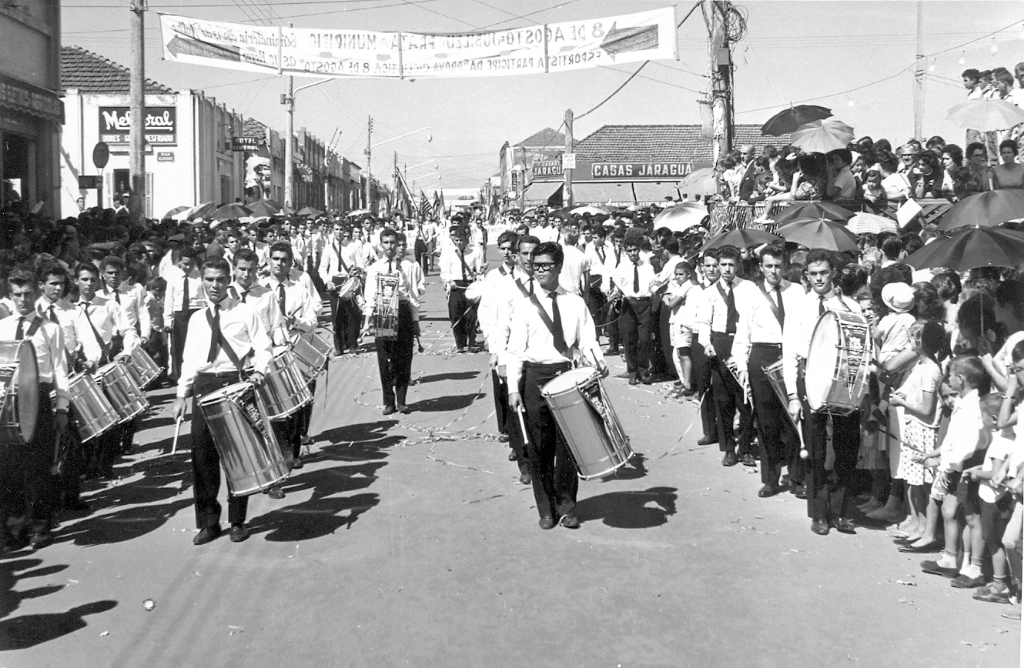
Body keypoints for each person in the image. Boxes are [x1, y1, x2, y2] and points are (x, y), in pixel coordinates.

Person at [172, 257, 272, 545]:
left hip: (235, 382)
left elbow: (263, 347)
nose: (214, 285)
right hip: (205, 386)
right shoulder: (196, 319)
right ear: (202, 281)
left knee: (237, 456)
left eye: (219, 279)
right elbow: (189, 360)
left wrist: (260, 373)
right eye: (209, 280)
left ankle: (238, 520)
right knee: (202, 456)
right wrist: (181, 394)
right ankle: (208, 522)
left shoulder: (245, 312)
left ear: (229, 280)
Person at [507, 242, 605, 530]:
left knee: (568, 447)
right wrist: (513, 388)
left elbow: (587, 339)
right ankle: (546, 508)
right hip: (535, 376)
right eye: (536, 266)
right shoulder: (525, 306)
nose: (540, 271)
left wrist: (597, 361)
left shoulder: (575, 302)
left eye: (546, 266)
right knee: (539, 447)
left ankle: (568, 507)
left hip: (567, 376)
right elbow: (514, 350)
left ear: (559, 267)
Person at [784, 249, 863, 535]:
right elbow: (789, 352)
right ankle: (819, 513)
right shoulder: (799, 307)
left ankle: (841, 512)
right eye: (813, 274)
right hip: (811, 380)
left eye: (824, 273)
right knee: (815, 450)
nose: (819, 279)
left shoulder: (850, 305)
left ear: (833, 274)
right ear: (806, 276)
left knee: (846, 446)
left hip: (843, 382)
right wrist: (793, 395)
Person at [0, 269, 70, 551]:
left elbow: (60, 371)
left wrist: (62, 407)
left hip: (39, 397)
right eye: (17, 294)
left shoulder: (50, 328)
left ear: (35, 292)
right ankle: (15, 528)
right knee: (9, 468)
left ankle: (41, 526)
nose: (23, 300)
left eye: (28, 293)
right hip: (8, 400)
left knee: (39, 467)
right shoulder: (2, 327)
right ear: (10, 295)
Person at [732, 245, 803, 496]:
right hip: (762, 355)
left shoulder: (797, 291)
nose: (774, 271)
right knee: (766, 421)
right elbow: (743, 335)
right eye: (769, 266)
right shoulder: (751, 295)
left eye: (778, 266)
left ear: (784, 266)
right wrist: (741, 366)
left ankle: (796, 478)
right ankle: (771, 478)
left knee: (793, 420)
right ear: (761, 267)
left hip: (790, 355)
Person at [71, 262, 140, 479]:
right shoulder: (69, 309)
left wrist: (127, 351)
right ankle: (89, 468)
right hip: (79, 371)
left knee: (111, 421)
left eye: (93, 279)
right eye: (84, 279)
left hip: (103, 367)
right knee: (85, 421)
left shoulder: (108, 305)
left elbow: (129, 330)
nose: (89, 284)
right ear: (75, 281)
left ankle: (105, 467)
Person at [262, 241, 318, 463]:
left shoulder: (299, 289)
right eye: (275, 258)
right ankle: (278, 454)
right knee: (274, 408)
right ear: (269, 261)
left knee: (295, 407)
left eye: (284, 260)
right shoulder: (260, 289)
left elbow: (312, 322)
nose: (279, 263)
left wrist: (297, 321)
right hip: (269, 353)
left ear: (290, 263)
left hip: (295, 350)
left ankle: (292, 452)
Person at [698, 245, 754, 467]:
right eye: (723, 265)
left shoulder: (748, 288)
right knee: (723, 400)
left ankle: (747, 448)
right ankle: (729, 448)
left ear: (738, 265)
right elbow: (703, 322)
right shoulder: (709, 293)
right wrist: (706, 343)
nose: (727, 269)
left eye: (731, 265)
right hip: (720, 343)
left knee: (746, 400)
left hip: (742, 342)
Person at [362, 228, 416, 415]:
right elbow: (369, 296)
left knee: (403, 358)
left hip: (402, 312)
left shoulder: (408, 266)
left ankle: (402, 400)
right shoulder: (375, 268)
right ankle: (389, 401)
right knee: (385, 360)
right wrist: (367, 321)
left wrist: (415, 321)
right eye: (386, 243)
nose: (390, 246)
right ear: (381, 244)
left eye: (393, 242)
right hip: (383, 313)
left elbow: (413, 295)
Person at [610, 229, 656, 385]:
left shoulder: (647, 267)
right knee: (629, 339)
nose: (633, 253)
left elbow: (653, 286)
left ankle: (643, 370)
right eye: (629, 251)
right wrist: (619, 294)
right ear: (626, 251)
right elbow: (617, 284)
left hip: (644, 304)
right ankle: (632, 371)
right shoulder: (621, 268)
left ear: (639, 250)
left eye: (635, 250)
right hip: (628, 305)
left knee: (644, 340)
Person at [318, 222, 365, 356]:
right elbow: (322, 268)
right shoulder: (328, 249)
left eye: (341, 229)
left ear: (345, 231)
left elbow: (360, 262)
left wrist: (358, 268)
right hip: (335, 282)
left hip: (349, 280)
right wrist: (327, 281)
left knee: (352, 314)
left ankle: (353, 344)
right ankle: (339, 346)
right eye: (336, 229)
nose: (338, 232)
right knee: (337, 315)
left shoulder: (352, 247)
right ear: (332, 231)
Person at [440, 226, 485, 353]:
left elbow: (479, 270)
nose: (459, 243)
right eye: (456, 240)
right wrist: (449, 281)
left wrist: (479, 281)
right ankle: (460, 343)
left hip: (470, 285)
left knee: (471, 316)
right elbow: (444, 271)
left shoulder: (475, 251)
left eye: (461, 240)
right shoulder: (448, 252)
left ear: (467, 239)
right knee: (456, 315)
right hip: (455, 286)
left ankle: (471, 342)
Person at [163, 248, 204, 380]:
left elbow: (205, 297)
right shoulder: (173, 278)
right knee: (180, 347)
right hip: (180, 314)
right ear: (179, 262)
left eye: (191, 264)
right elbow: (169, 300)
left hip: (196, 311)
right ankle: (183, 378)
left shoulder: (200, 277)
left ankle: (198, 376)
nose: (188, 267)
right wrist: (168, 321)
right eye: (185, 264)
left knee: (197, 346)